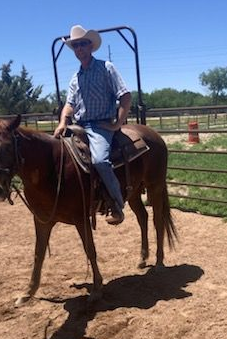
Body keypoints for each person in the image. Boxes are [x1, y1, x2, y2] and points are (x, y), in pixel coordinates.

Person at [53, 25, 132, 225]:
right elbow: (69, 104)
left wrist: (116, 124)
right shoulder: (75, 78)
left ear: (90, 46)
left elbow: (125, 96)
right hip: (78, 125)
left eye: (82, 44)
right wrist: (63, 122)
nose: (79, 48)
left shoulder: (106, 68)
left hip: (100, 126)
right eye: (75, 45)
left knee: (99, 161)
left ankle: (116, 204)